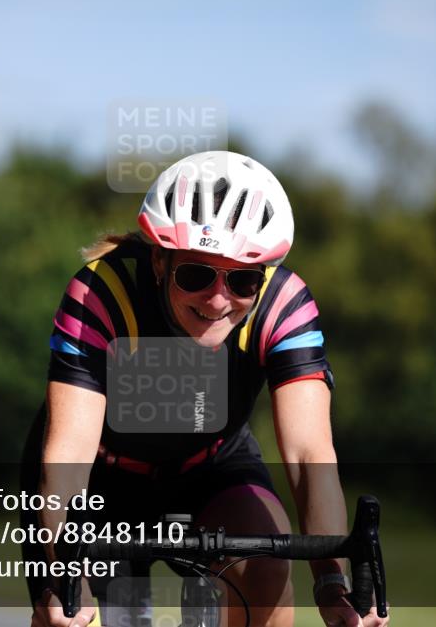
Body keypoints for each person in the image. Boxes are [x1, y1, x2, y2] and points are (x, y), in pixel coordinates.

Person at [22, 151, 388, 627]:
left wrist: (333, 584)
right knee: (75, 618)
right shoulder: (102, 293)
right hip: (98, 480)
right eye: (195, 274)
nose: (218, 300)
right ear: (159, 259)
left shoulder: (283, 304)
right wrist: (63, 575)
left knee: (268, 562)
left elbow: (307, 456)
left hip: (211, 466)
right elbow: (68, 460)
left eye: (241, 280)